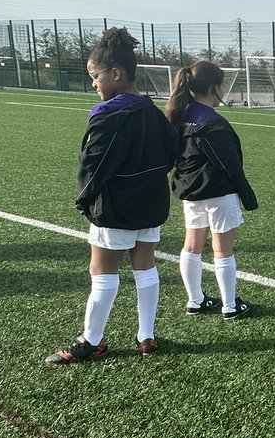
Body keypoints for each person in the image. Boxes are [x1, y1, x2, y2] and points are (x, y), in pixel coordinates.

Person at [47, 28, 178, 364]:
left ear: (116, 74)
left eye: (95, 76)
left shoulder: (108, 115)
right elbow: (170, 155)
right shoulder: (154, 113)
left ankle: (92, 341)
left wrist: (85, 200)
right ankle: (146, 335)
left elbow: (92, 167)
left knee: (102, 273)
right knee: (145, 268)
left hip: (115, 208)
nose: (94, 84)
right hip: (150, 206)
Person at [165, 60, 259, 320]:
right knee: (222, 250)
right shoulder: (214, 123)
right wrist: (246, 194)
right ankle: (229, 306)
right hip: (219, 192)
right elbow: (232, 165)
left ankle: (195, 300)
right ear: (215, 87)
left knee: (192, 246)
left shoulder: (179, 115)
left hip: (190, 192)